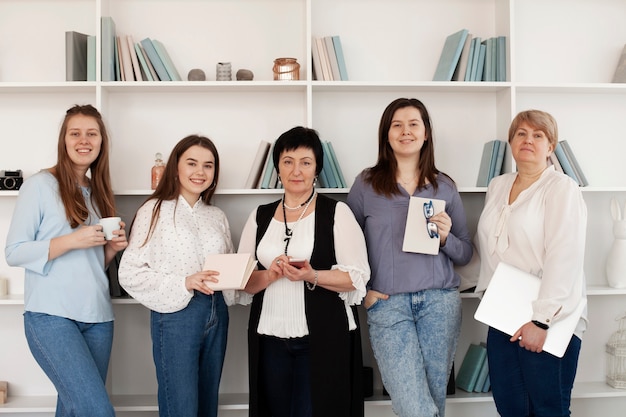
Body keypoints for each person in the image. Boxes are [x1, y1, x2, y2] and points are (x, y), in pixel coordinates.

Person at [346, 97, 473, 417]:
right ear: (386, 134)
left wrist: (445, 239)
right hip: (387, 305)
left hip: (440, 303)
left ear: (426, 133)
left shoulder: (444, 186)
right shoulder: (365, 184)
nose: (406, 131)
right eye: (397, 125)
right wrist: (365, 292)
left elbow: (466, 251)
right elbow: (347, 246)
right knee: (414, 406)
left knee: (432, 402)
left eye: (414, 124)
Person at [237, 126, 370, 417]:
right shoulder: (259, 215)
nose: (296, 170)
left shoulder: (337, 213)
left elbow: (356, 278)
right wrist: (270, 275)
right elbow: (243, 283)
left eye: (305, 162)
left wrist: (312, 275)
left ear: (316, 169)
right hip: (269, 338)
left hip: (322, 339)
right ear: (278, 168)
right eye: (288, 161)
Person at [5, 104, 127, 417]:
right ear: (64, 140)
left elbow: (89, 265)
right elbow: (14, 251)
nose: (83, 140)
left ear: (101, 142)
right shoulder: (39, 186)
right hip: (51, 316)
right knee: (97, 411)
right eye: (75, 133)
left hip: (98, 318)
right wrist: (74, 239)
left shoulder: (98, 191)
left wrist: (112, 249)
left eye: (92, 133)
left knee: (74, 410)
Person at [475, 110, 587, 417]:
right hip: (504, 314)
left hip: (550, 319)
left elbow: (565, 256)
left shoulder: (562, 188)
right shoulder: (498, 186)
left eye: (538, 135)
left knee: (548, 409)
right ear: (511, 142)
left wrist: (541, 320)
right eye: (521, 133)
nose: (529, 140)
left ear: (550, 147)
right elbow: (490, 246)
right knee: (510, 408)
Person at [118, 135, 233, 417]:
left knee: (208, 404)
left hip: (217, 310)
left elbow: (228, 266)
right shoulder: (153, 210)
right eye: (191, 163)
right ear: (175, 167)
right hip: (176, 314)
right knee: (180, 406)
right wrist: (184, 282)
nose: (200, 172)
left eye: (208, 165)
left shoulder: (217, 215)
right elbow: (128, 273)